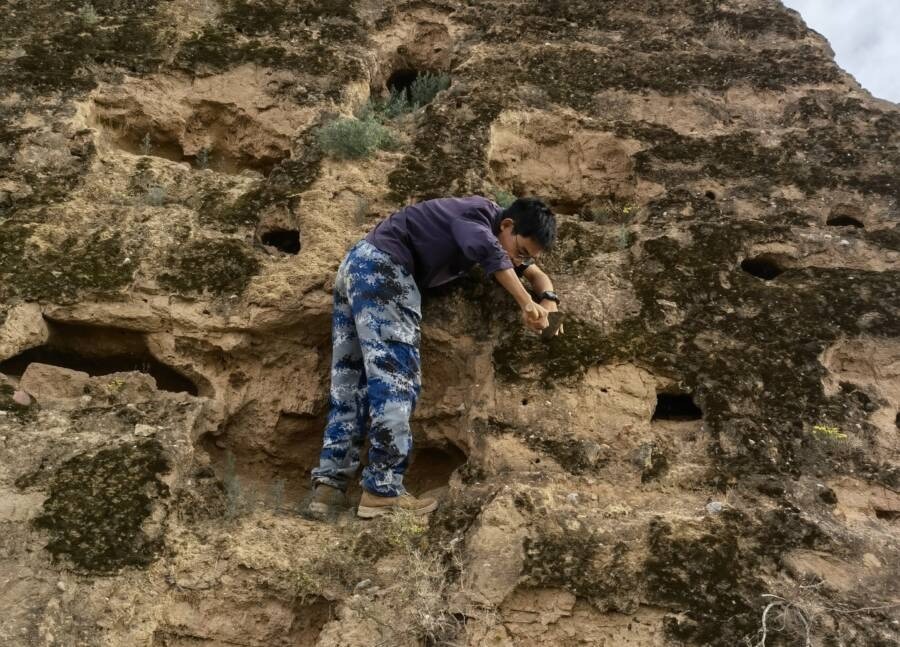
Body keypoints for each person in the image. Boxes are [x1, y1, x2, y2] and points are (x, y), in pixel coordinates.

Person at [308, 195, 560, 518]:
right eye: (520, 250)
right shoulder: (477, 215)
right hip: (385, 270)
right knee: (397, 381)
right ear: (507, 225)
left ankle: (329, 488)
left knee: (350, 381)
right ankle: (382, 490)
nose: (518, 260)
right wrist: (526, 303)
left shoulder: (500, 234)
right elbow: (492, 254)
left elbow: (537, 275)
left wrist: (549, 304)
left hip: (357, 265)